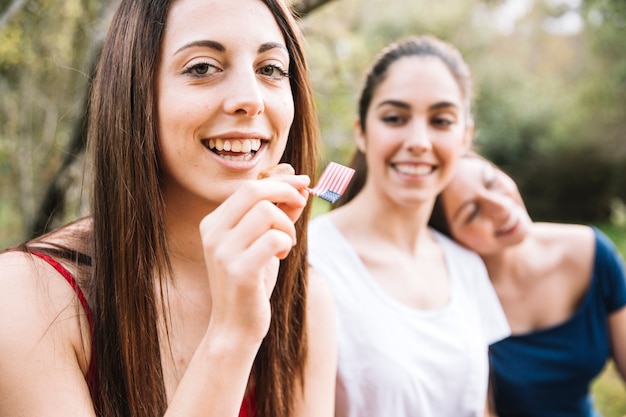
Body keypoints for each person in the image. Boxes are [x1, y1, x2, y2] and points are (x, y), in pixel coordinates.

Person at [0, 0, 337, 416]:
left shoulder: (305, 300)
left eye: (269, 69)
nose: (250, 100)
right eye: (202, 67)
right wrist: (230, 337)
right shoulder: (26, 299)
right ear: (134, 91)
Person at [307, 35, 510, 417]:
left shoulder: (466, 266)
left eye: (441, 121)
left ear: (464, 137)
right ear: (361, 132)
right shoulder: (311, 262)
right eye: (395, 118)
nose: (418, 141)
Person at [429, 152, 626, 417]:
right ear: (448, 239)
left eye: (491, 182)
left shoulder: (591, 251)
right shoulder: (447, 300)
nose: (500, 207)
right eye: (473, 212)